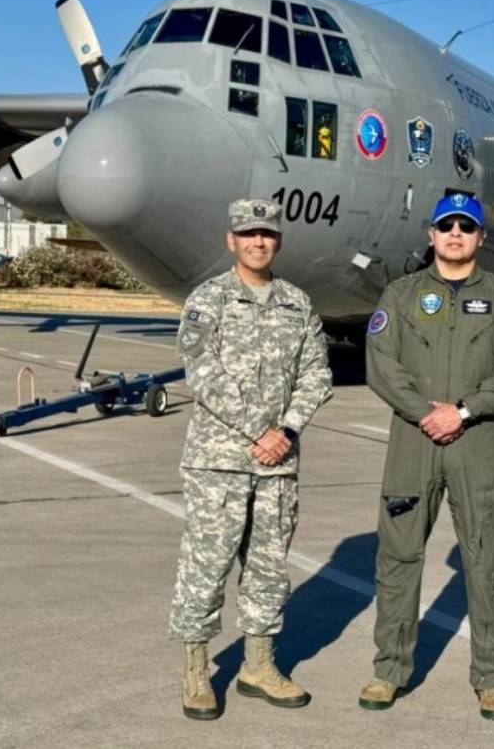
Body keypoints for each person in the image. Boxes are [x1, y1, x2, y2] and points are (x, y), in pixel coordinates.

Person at [360, 193, 494, 722]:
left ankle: (492, 678)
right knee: (399, 555)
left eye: (466, 226)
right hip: (413, 438)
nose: (455, 234)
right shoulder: (401, 295)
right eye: (446, 225)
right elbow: (381, 363)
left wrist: (461, 411)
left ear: (481, 237)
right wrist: (425, 413)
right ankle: (389, 670)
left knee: (488, 560)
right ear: (432, 235)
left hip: (477, 439)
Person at [169, 198, 332, 721]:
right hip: (219, 463)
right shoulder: (209, 299)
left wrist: (287, 430)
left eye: (267, 233)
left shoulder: (297, 303)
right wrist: (259, 430)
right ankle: (197, 671)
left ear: (278, 241)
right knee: (206, 567)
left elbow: (317, 374)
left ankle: (258, 666)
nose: (258, 241)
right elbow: (202, 373)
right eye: (248, 233)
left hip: (277, 464)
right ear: (231, 240)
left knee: (268, 569)